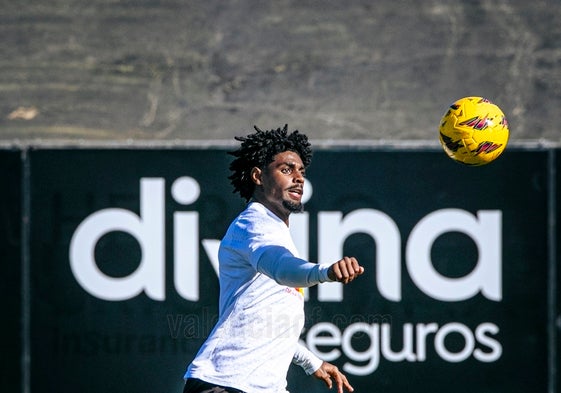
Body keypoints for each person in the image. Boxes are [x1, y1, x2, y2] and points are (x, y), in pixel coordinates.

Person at [182, 125, 364, 393]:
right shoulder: (254, 223)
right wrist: (325, 272)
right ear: (258, 176)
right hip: (224, 384)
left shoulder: (276, 230)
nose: (299, 178)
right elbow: (281, 267)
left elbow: (266, 324)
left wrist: (309, 360)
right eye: (287, 170)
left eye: (302, 172)